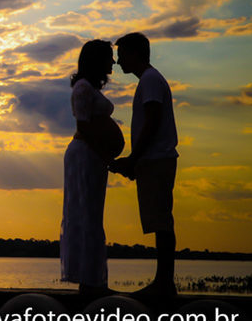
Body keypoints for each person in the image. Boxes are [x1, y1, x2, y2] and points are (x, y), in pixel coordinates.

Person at [111, 32, 178, 299]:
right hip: (153, 160)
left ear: (135, 53)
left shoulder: (150, 81)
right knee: (160, 220)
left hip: (156, 160)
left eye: (122, 54)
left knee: (161, 222)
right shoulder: (150, 80)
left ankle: (164, 284)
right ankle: (164, 282)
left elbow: (151, 122)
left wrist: (133, 159)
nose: (117, 61)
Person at [61, 39, 122, 297]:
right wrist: (106, 155)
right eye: (108, 57)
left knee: (93, 214)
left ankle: (94, 278)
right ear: (96, 60)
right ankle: (90, 280)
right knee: (86, 214)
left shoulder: (88, 87)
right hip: (85, 156)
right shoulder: (83, 88)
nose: (113, 62)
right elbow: (85, 127)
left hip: (92, 156)